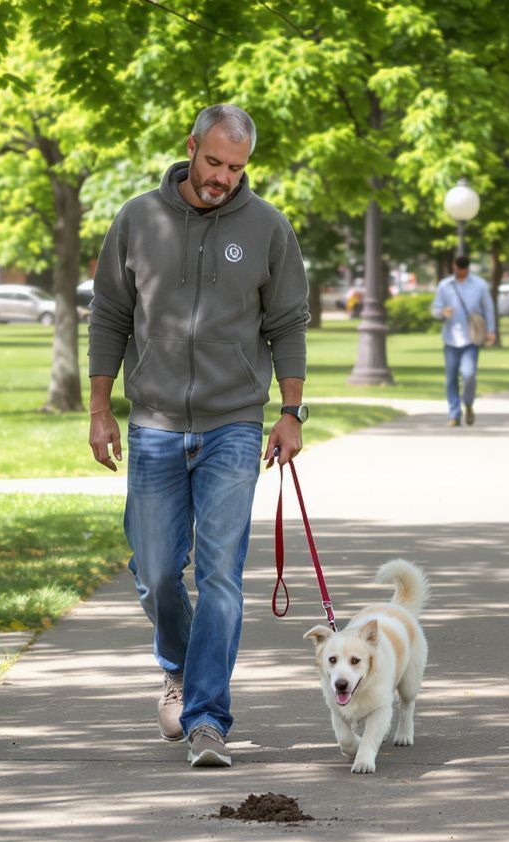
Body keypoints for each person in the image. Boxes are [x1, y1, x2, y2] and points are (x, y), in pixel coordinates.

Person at [87, 104, 310, 769]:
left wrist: (292, 412)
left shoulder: (268, 227)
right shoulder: (137, 219)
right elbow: (109, 315)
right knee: (156, 572)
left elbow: (289, 324)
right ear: (191, 148)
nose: (222, 179)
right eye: (214, 163)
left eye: (236, 168)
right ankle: (180, 673)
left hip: (233, 425)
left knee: (220, 575)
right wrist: (100, 409)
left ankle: (207, 717)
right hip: (153, 422)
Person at [431, 255, 496, 427]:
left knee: (469, 375)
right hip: (451, 338)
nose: (461, 271)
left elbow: (488, 308)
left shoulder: (479, 285)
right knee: (451, 377)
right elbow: (435, 309)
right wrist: (442, 312)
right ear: (453, 266)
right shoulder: (445, 285)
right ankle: (454, 414)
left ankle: (468, 403)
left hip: (472, 338)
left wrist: (491, 330)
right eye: (458, 268)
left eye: (464, 268)